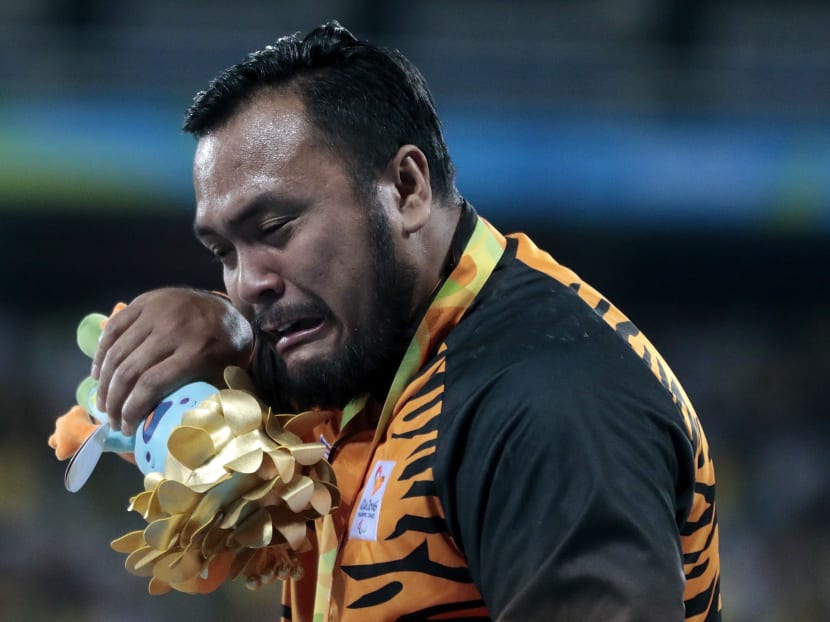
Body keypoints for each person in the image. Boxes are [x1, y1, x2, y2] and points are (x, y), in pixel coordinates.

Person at [90, 21, 721, 622]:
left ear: (407, 188)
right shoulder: (369, 338)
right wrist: (222, 322)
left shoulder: (547, 404)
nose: (249, 282)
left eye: (274, 228)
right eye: (223, 253)